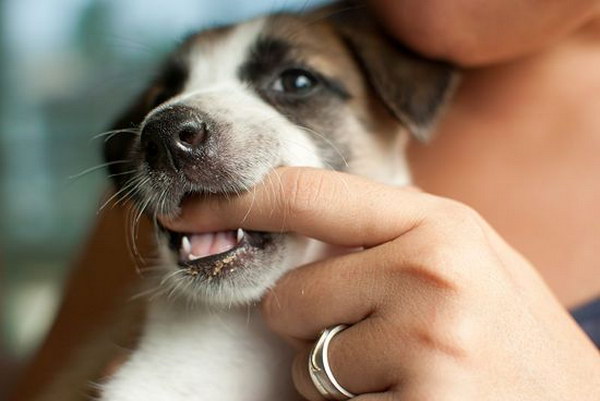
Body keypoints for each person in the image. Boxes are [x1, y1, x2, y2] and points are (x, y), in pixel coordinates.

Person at [12, 0, 600, 399]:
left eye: (295, 84)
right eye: (163, 101)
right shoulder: (159, 236)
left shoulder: (358, 59)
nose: (172, 129)